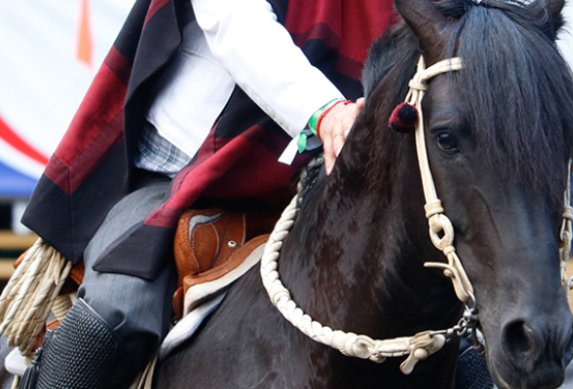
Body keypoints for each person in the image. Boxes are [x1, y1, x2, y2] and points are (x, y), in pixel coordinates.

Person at [11, 0, 395, 387]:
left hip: (335, 191)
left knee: (445, 339)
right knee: (116, 313)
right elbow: (235, 19)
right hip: (175, 176)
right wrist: (326, 112)